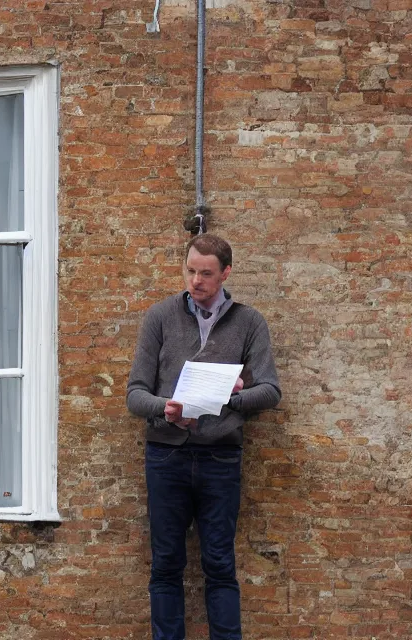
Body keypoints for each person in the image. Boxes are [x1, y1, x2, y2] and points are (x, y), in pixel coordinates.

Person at [126, 234, 281, 640]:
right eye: (191, 270)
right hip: (165, 456)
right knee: (165, 565)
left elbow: (270, 391)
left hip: (220, 460)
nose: (196, 280)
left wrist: (234, 396)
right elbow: (135, 394)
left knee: (219, 564)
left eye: (206, 273)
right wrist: (165, 408)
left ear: (226, 273)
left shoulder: (249, 322)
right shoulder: (160, 316)